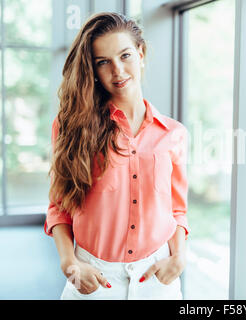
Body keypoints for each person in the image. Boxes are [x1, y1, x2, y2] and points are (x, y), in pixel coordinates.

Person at [44, 12, 190, 300]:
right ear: (93, 70)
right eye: (103, 62)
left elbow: (177, 210)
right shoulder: (71, 126)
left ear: (141, 53)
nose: (118, 71)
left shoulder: (174, 133)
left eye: (125, 56)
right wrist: (69, 263)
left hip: (157, 278)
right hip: (93, 278)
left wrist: (178, 258)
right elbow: (59, 207)